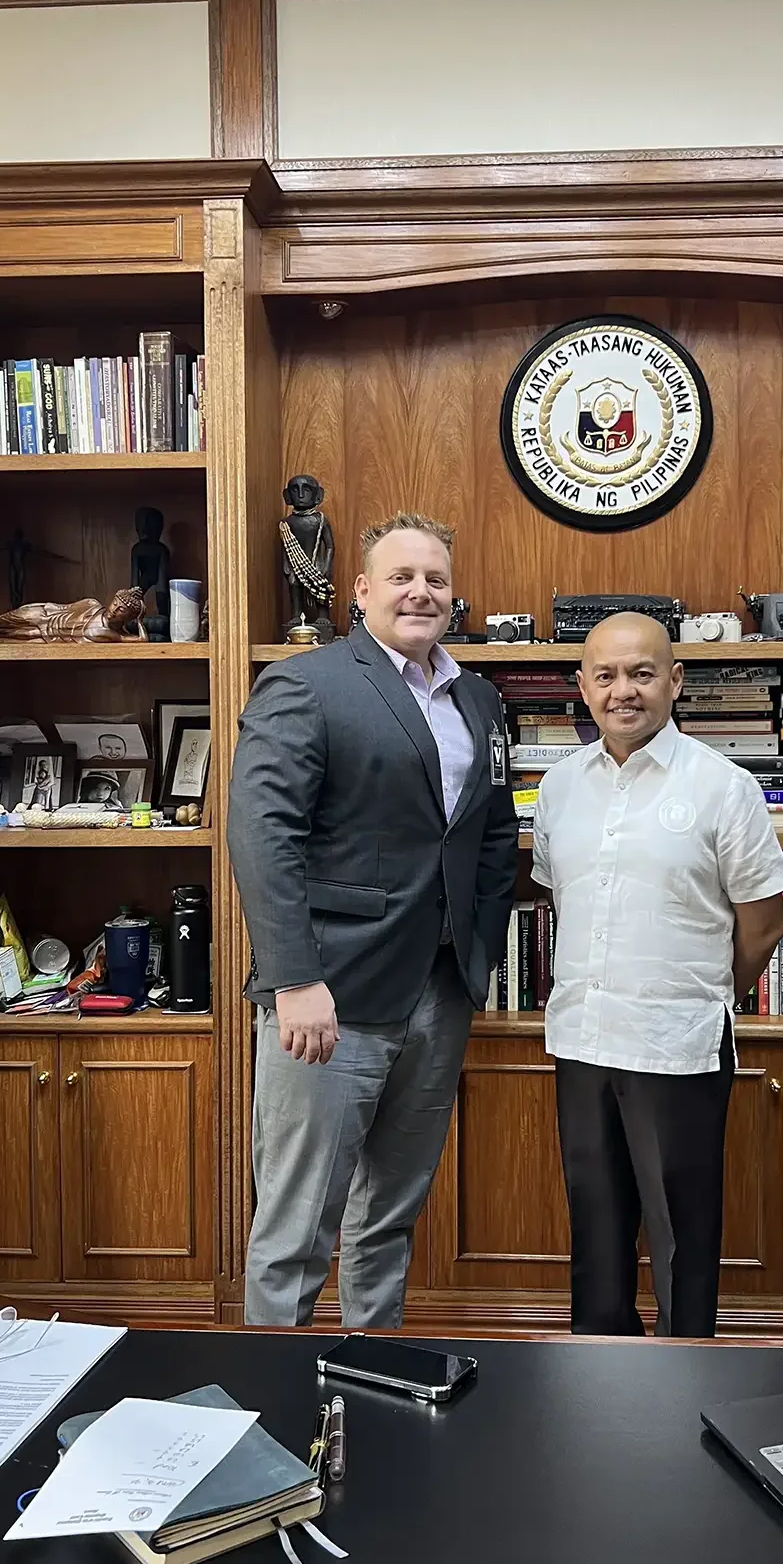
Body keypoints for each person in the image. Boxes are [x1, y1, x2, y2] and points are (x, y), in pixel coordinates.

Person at [228, 512, 518, 1328]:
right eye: (401, 576)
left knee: (388, 1217)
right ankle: (274, 1415)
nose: (420, 591)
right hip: (330, 994)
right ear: (361, 591)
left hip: (440, 992)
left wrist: (481, 951)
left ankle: (370, 1382)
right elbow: (261, 835)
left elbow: (493, 834)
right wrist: (294, 977)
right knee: (296, 1230)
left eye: (435, 578)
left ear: (453, 596)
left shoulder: (481, 699)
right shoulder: (307, 683)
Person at [531, 613, 783, 1340]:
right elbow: (561, 895)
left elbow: (764, 922)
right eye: (606, 675)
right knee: (597, 1241)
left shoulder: (723, 787)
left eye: (642, 673)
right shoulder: (558, 788)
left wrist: (702, 991)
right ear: (582, 687)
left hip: (677, 1047)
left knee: (682, 1243)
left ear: (675, 681)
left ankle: (681, 1390)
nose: (624, 691)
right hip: (582, 1043)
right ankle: (601, 1390)